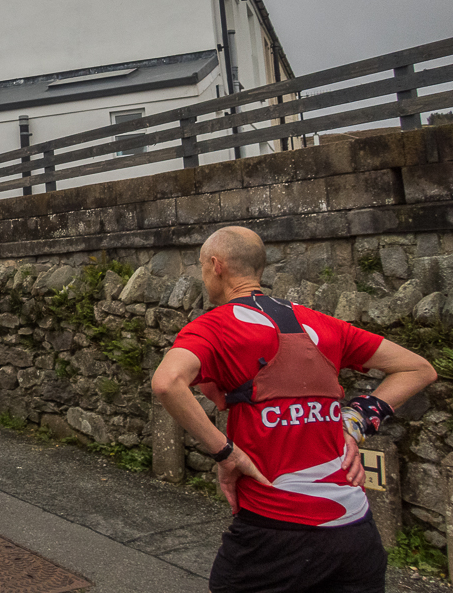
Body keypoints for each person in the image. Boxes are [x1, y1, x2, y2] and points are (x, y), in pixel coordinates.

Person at [151, 226, 437, 593]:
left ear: (216, 265)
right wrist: (354, 422)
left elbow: (166, 382)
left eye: (202, 267)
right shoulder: (324, 324)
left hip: (273, 531)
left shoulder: (214, 328)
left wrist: (226, 453)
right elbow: (419, 368)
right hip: (355, 533)